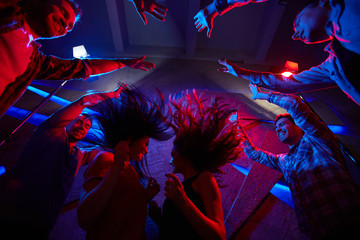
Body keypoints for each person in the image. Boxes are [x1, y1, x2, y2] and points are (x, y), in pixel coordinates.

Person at [0, 85, 127, 239]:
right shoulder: (50, 131)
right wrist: (112, 95)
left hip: (39, 226)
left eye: (87, 126)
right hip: (9, 211)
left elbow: (109, 154)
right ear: (68, 120)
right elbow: (83, 101)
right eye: (79, 121)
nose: (82, 126)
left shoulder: (80, 155)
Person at [240, 83, 360, 239]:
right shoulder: (284, 160)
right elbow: (253, 153)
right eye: (276, 128)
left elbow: (295, 105)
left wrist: (263, 95)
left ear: (298, 126)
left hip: (349, 220)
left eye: (282, 124)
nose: (278, 130)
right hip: (319, 233)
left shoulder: (317, 139)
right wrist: (236, 124)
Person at [0, 0, 158, 118]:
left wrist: (122, 63)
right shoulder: (9, 9)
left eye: (69, 27)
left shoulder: (34, 64)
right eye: (63, 11)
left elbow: (82, 68)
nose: (65, 24)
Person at [196, 0, 360, 106]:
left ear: (322, 2)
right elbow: (288, 84)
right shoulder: (333, 65)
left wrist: (214, 7)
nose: (294, 35)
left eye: (298, 22)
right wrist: (242, 73)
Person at [77, 87, 174, 240]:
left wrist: (145, 198)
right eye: (146, 143)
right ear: (131, 138)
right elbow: (84, 218)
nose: (147, 151)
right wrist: (115, 169)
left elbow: (120, 208)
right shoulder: (107, 159)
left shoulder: (130, 170)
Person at [149, 90, 242, 240]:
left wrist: (183, 201)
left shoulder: (204, 179)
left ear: (185, 155)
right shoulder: (183, 185)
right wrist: (158, 218)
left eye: (173, 155)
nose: (171, 160)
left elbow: (219, 236)